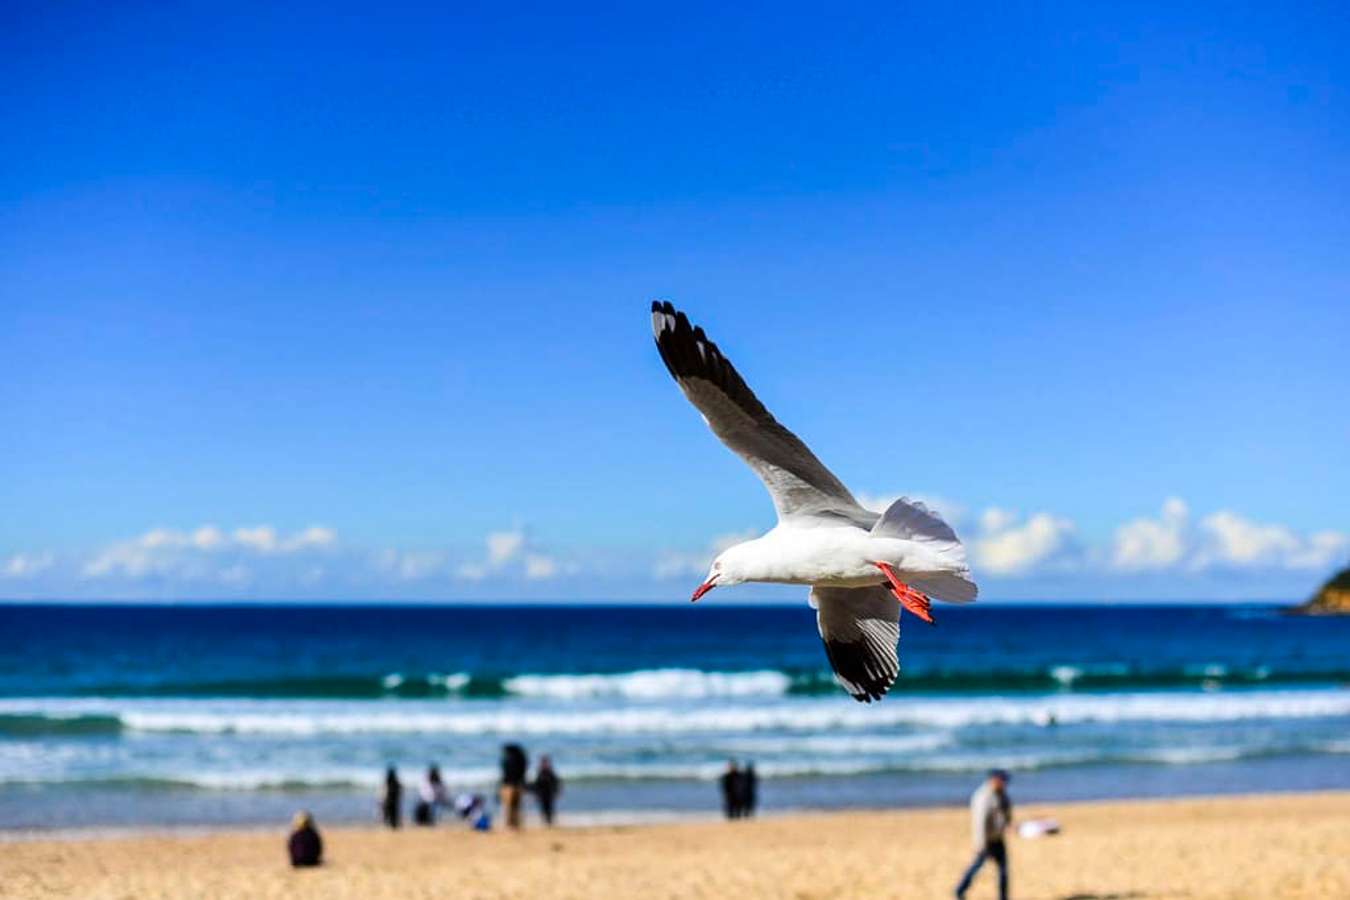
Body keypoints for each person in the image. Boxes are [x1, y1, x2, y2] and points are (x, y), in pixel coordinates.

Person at [955, 769, 1013, 900]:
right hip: (986, 841)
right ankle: (959, 890)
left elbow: (1006, 812)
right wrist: (980, 844)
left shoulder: (1001, 794)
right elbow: (979, 823)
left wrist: (1008, 823)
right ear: (994, 780)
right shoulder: (983, 797)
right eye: (1003, 781)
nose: (1005, 783)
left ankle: (1003, 897)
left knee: (1003, 871)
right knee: (976, 867)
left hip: (998, 838)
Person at [500, 743, 529, 829]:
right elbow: (523, 774)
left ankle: (510, 824)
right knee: (517, 806)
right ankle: (516, 823)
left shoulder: (508, 760)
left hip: (508, 785)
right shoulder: (521, 760)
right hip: (518, 785)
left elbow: (505, 775)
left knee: (508, 807)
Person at [530, 754, 562, 826]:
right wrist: (535, 794)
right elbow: (536, 785)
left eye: (545, 762)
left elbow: (556, 783)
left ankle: (549, 822)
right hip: (542, 794)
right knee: (543, 808)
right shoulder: (540, 772)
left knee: (549, 808)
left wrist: (557, 792)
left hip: (549, 794)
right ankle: (546, 822)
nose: (544, 764)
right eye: (543, 762)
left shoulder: (550, 772)